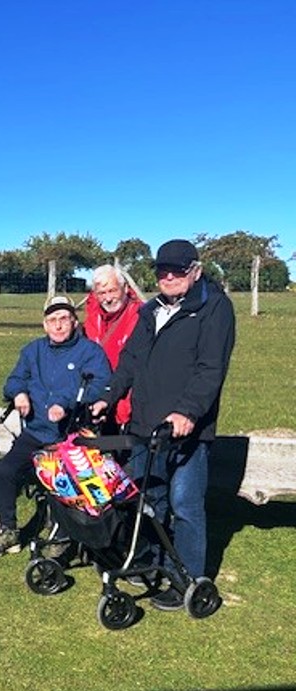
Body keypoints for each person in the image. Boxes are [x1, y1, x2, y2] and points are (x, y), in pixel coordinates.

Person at [93, 239, 235, 610]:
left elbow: (211, 369)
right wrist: (107, 395)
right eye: (162, 271)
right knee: (148, 499)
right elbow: (130, 360)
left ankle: (185, 577)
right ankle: (149, 562)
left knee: (184, 503)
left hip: (187, 427)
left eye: (177, 271)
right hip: (144, 423)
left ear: (195, 271)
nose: (168, 277)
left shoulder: (213, 308)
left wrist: (188, 412)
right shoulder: (151, 310)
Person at [0, 296, 111, 559]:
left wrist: (65, 404)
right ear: (44, 325)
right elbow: (14, 379)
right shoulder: (33, 350)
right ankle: (8, 530)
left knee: (59, 479)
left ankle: (60, 535)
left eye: (64, 319)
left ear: (75, 322)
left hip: (72, 435)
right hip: (36, 431)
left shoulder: (91, 352)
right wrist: (18, 393)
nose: (59, 325)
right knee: (5, 470)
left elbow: (101, 385)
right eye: (52, 320)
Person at [83, 264, 141, 428]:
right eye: (102, 293)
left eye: (112, 291)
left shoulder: (141, 317)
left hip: (128, 399)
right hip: (97, 398)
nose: (108, 298)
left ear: (125, 288)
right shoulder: (92, 317)